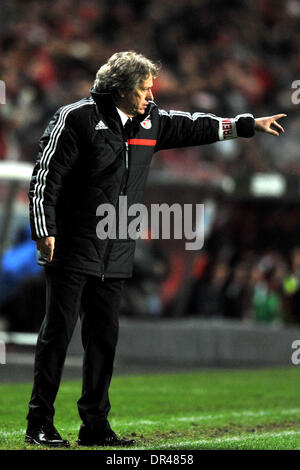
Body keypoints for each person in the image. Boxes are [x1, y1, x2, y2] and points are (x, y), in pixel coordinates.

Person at [26, 51, 286, 447]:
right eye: (144, 88)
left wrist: (247, 125)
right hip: (73, 245)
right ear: (121, 88)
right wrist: (44, 230)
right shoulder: (75, 118)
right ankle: (38, 421)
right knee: (57, 335)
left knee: (104, 341)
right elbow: (46, 177)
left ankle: (94, 425)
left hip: (117, 247)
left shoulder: (152, 120)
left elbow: (195, 126)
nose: (151, 95)